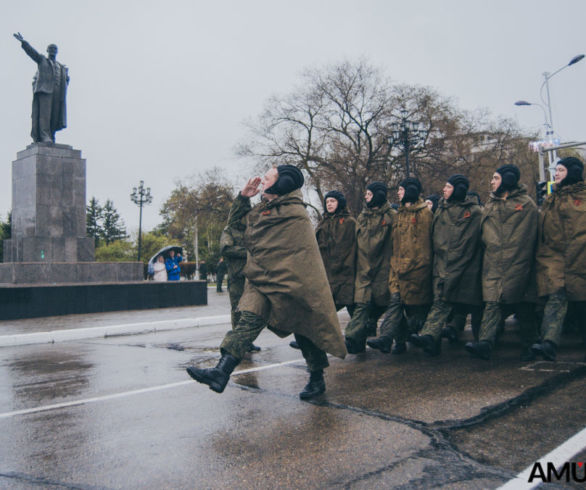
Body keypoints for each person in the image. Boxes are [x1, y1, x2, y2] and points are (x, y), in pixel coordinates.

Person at [186, 165, 346, 400]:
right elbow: (236, 227)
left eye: (268, 178)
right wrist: (243, 197)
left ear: (281, 184)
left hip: (292, 283)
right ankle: (222, 371)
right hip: (262, 280)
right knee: (247, 321)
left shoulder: (294, 213)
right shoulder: (265, 209)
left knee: (305, 328)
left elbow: (292, 253)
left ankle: (316, 377)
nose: (262, 182)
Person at [466, 164, 539, 361]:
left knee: (525, 310)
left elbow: (533, 237)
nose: (492, 182)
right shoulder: (490, 205)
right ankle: (486, 343)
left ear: (506, 180)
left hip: (520, 265)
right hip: (494, 265)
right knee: (492, 305)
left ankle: (530, 346)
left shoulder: (526, 205)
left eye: (496, 178)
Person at [410, 175, 483, 355]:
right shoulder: (441, 209)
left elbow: (472, 243)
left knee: (476, 311)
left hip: (467, 270)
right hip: (443, 267)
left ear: (458, 190)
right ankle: (429, 336)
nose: (444, 190)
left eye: (448, 187)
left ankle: (484, 343)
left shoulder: (474, 212)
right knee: (441, 303)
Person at [367, 177, 433, 354]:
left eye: (401, 190)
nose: (398, 193)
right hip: (397, 271)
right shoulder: (399, 215)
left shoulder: (424, 214)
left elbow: (424, 247)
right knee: (395, 303)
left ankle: (430, 339)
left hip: (416, 272)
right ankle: (386, 338)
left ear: (410, 191)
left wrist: (414, 267)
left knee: (417, 313)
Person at [533, 157, 586, 361]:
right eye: (556, 170)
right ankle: (549, 342)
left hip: (580, 258)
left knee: (582, 306)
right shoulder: (551, 199)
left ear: (572, 172)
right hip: (556, 260)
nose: (556, 174)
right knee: (556, 298)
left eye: (561, 170)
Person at [291, 190, 357, 350]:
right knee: (324, 310)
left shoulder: (349, 222)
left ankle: (356, 341)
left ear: (339, 203)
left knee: (354, 310)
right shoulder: (323, 222)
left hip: (345, 275)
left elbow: (352, 248)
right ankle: (312, 339)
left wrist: (346, 268)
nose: (329, 204)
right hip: (327, 275)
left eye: (333, 201)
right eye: (327, 202)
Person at [343, 182, 394, 354]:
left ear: (378, 195)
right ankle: (350, 338)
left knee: (389, 306)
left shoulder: (391, 216)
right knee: (362, 306)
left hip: (384, 270)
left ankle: (399, 339)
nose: (366, 197)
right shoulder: (363, 217)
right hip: (364, 270)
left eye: (369, 194)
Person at [220, 202, 260, 352]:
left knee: (250, 309)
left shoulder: (251, 230)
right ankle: (237, 344)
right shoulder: (229, 230)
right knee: (237, 309)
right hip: (237, 276)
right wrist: (248, 252)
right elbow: (226, 249)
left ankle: (247, 341)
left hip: (251, 274)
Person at [14, 33, 69, 144]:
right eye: (51, 49)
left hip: (58, 93)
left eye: (55, 49)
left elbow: (65, 80)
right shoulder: (42, 60)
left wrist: (66, 78)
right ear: (47, 50)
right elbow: (32, 53)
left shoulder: (61, 66)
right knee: (45, 115)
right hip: (45, 91)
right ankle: (44, 135)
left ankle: (51, 135)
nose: (53, 50)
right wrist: (23, 42)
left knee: (54, 115)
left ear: (57, 51)